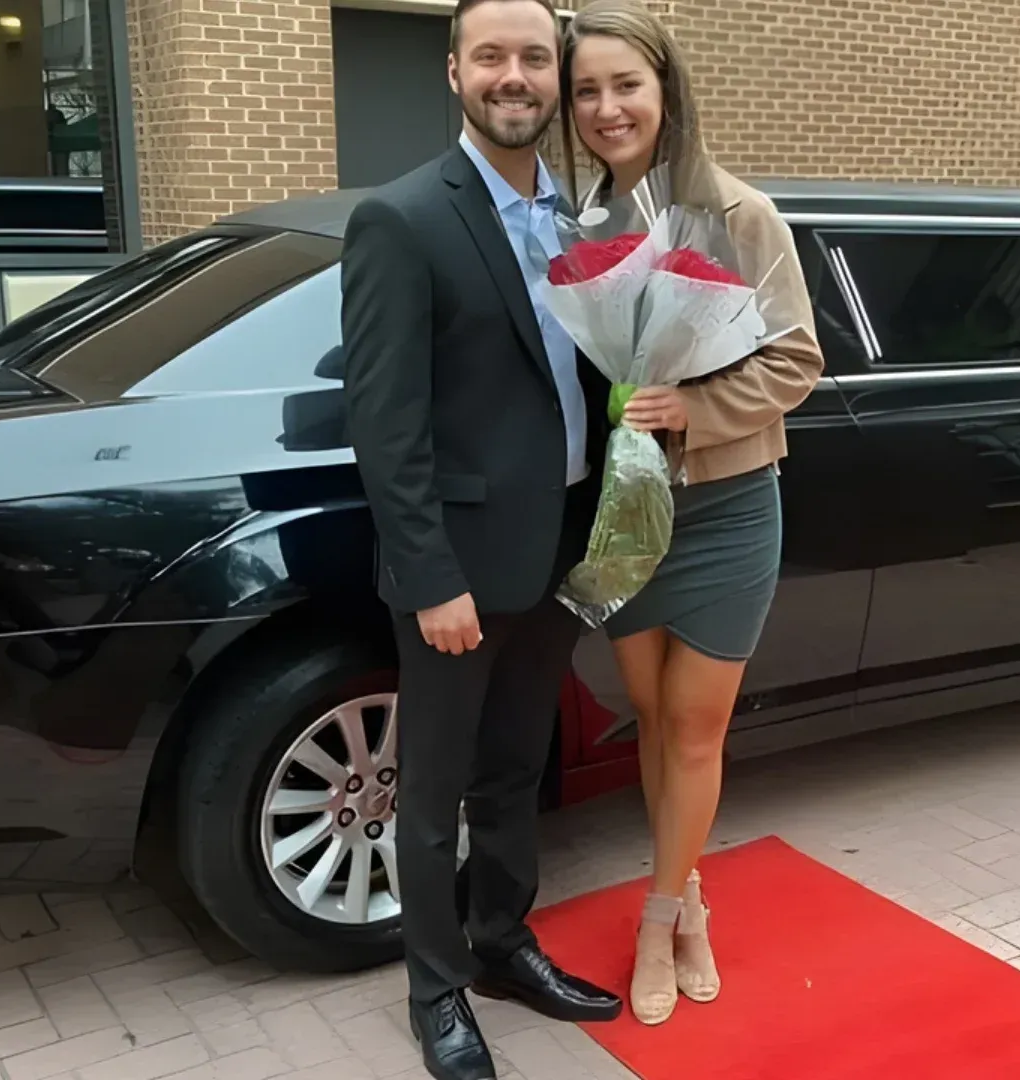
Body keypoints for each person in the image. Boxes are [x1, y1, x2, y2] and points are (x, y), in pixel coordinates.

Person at [338, 0, 623, 1076]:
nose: (516, 76)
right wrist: (430, 578)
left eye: (535, 58)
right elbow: (385, 423)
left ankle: (502, 944)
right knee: (433, 790)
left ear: (557, 76)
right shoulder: (403, 218)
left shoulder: (583, 222)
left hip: (557, 553)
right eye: (492, 56)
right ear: (454, 71)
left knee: (515, 771)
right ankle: (436, 989)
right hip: (457, 571)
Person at [560, 0, 826, 1027]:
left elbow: (797, 360)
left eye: (625, 84)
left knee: (695, 726)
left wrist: (691, 410)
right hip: (629, 508)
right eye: (587, 90)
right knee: (652, 722)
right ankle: (691, 890)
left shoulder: (739, 214)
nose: (607, 107)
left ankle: (662, 917)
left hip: (727, 508)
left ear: (666, 90)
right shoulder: (576, 225)